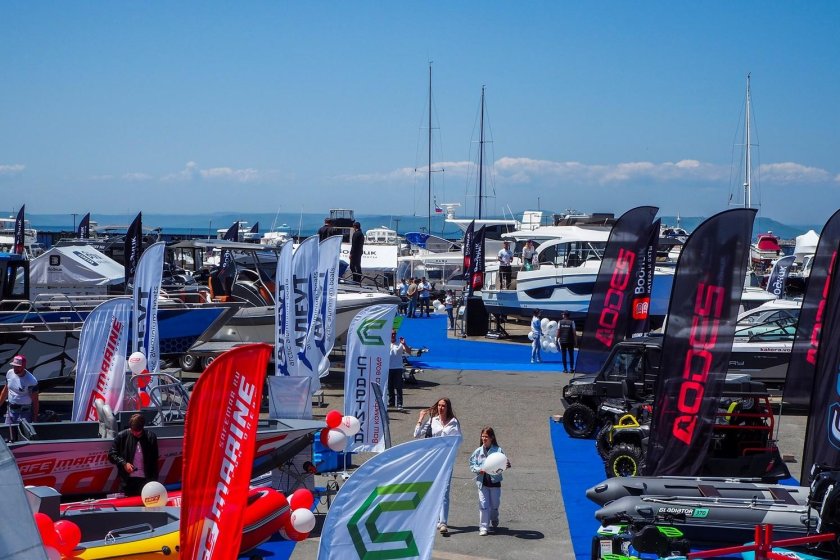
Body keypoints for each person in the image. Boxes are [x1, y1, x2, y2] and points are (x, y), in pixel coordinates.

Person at [414, 397, 461, 534]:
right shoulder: (432, 421)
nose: (441, 408)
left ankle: (443, 522)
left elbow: (459, 440)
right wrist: (420, 418)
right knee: (432, 490)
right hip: (432, 461)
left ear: (448, 408)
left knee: (445, 491)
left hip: (446, 461)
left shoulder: (454, 422)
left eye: (443, 406)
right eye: (439, 405)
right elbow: (416, 435)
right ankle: (433, 519)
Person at [469, 426, 511, 535]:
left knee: (494, 505)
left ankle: (494, 518)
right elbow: (472, 464)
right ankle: (483, 527)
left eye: (486, 437)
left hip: (495, 483)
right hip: (482, 483)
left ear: (492, 438)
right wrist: (479, 469)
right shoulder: (478, 451)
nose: (484, 438)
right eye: (482, 436)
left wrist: (507, 465)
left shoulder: (498, 450)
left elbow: (504, 463)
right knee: (483, 505)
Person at [108, 413, 160, 497]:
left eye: (138, 432)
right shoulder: (122, 436)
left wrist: (154, 480)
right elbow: (111, 454)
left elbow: (154, 460)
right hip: (127, 481)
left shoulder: (151, 437)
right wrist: (124, 463)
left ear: (142, 428)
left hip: (146, 481)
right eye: (133, 431)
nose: (135, 434)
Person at [0, 355, 39, 424]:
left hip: (24, 413)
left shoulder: (31, 381)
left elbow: (35, 401)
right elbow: (5, 390)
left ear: (24, 366)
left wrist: (35, 418)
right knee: (8, 430)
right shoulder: (9, 373)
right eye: (14, 366)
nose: (15, 368)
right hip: (10, 411)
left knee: (22, 431)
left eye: (18, 366)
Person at [388, 331, 410, 411]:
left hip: (397, 368)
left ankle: (400, 403)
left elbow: (408, 352)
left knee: (398, 387)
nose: (393, 335)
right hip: (388, 368)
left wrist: (404, 344)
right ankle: (391, 402)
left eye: (394, 334)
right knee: (389, 386)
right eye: (392, 334)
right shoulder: (386, 343)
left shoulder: (400, 343)